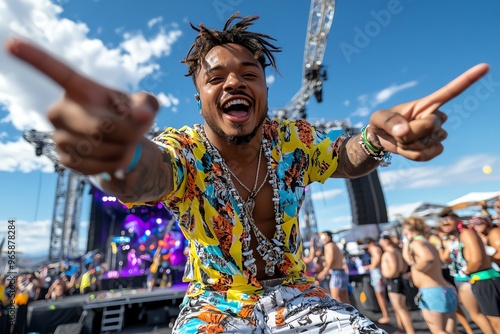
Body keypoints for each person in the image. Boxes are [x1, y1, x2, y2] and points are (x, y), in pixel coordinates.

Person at [5, 11, 489, 333]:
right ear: (200, 97)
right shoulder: (186, 149)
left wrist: (381, 138)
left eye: (248, 73)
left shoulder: (291, 141)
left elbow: (347, 155)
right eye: (216, 77)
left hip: (300, 295)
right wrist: (120, 159)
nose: (233, 81)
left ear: (263, 88)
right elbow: (148, 174)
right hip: (214, 304)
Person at [437, 208, 499, 333]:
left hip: (481, 277)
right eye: (442, 221)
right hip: (469, 280)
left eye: (448, 220)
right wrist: (442, 242)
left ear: (457, 220)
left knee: (495, 320)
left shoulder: (466, 233)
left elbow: (477, 260)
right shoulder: (454, 238)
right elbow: (445, 258)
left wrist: (467, 271)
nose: (445, 223)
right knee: (477, 315)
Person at [401, 216, 458, 334]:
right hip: (444, 289)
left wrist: (416, 268)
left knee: (438, 331)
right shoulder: (428, 242)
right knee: (451, 331)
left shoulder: (417, 242)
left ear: (407, 229)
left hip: (432, 293)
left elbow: (428, 259)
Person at [379, 233, 415, 334]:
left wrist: (385, 274)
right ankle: (402, 328)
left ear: (385, 241)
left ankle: (410, 331)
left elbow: (394, 270)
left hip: (394, 281)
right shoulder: (397, 251)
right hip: (398, 280)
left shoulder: (389, 253)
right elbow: (403, 267)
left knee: (401, 309)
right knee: (399, 308)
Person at [316, 231, 350, 304]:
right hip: (341, 272)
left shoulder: (328, 246)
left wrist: (324, 272)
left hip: (336, 273)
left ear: (328, 237)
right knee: (345, 299)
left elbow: (331, 259)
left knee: (335, 299)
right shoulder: (334, 245)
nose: (322, 239)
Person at [363, 237, 391, 325]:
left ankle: (386, 316)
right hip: (378, 272)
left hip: (377, 273)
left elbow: (378, 258)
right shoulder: (377, 248)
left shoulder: (374, 248)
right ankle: (386, 315)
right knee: (382, 295)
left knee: (380, 295)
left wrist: (371, 266)